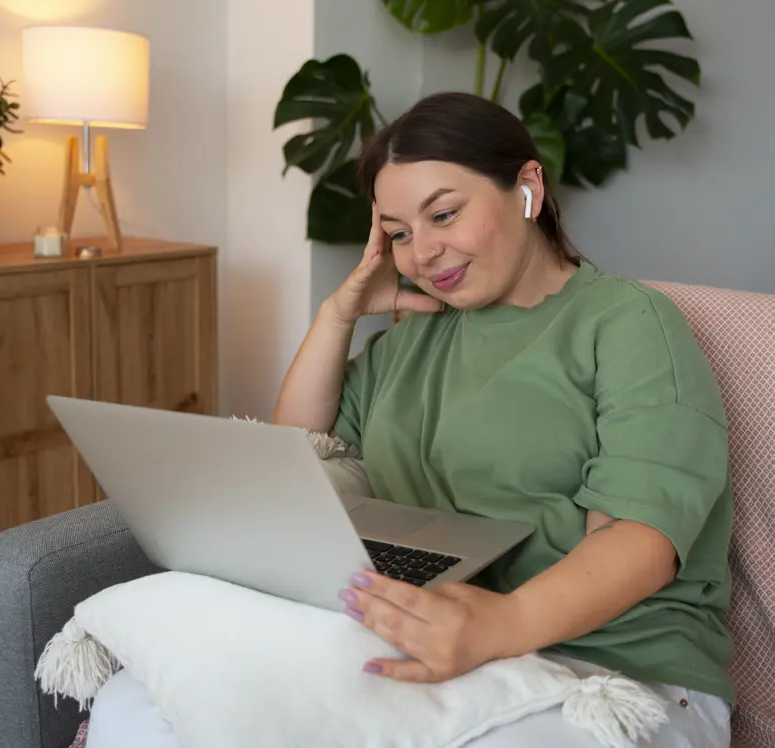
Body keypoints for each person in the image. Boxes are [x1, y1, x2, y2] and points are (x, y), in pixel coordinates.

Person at [87, 92, 734, 747]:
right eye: (398, 233)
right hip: (446, 646)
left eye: (444, 214)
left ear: (527, 186)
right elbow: (299, 464)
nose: (422, 252)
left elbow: (639, 542)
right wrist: (337, 315)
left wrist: (502, 625)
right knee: (138, 703)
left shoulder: (627, 323)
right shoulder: (411, 342)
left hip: (615, 674)